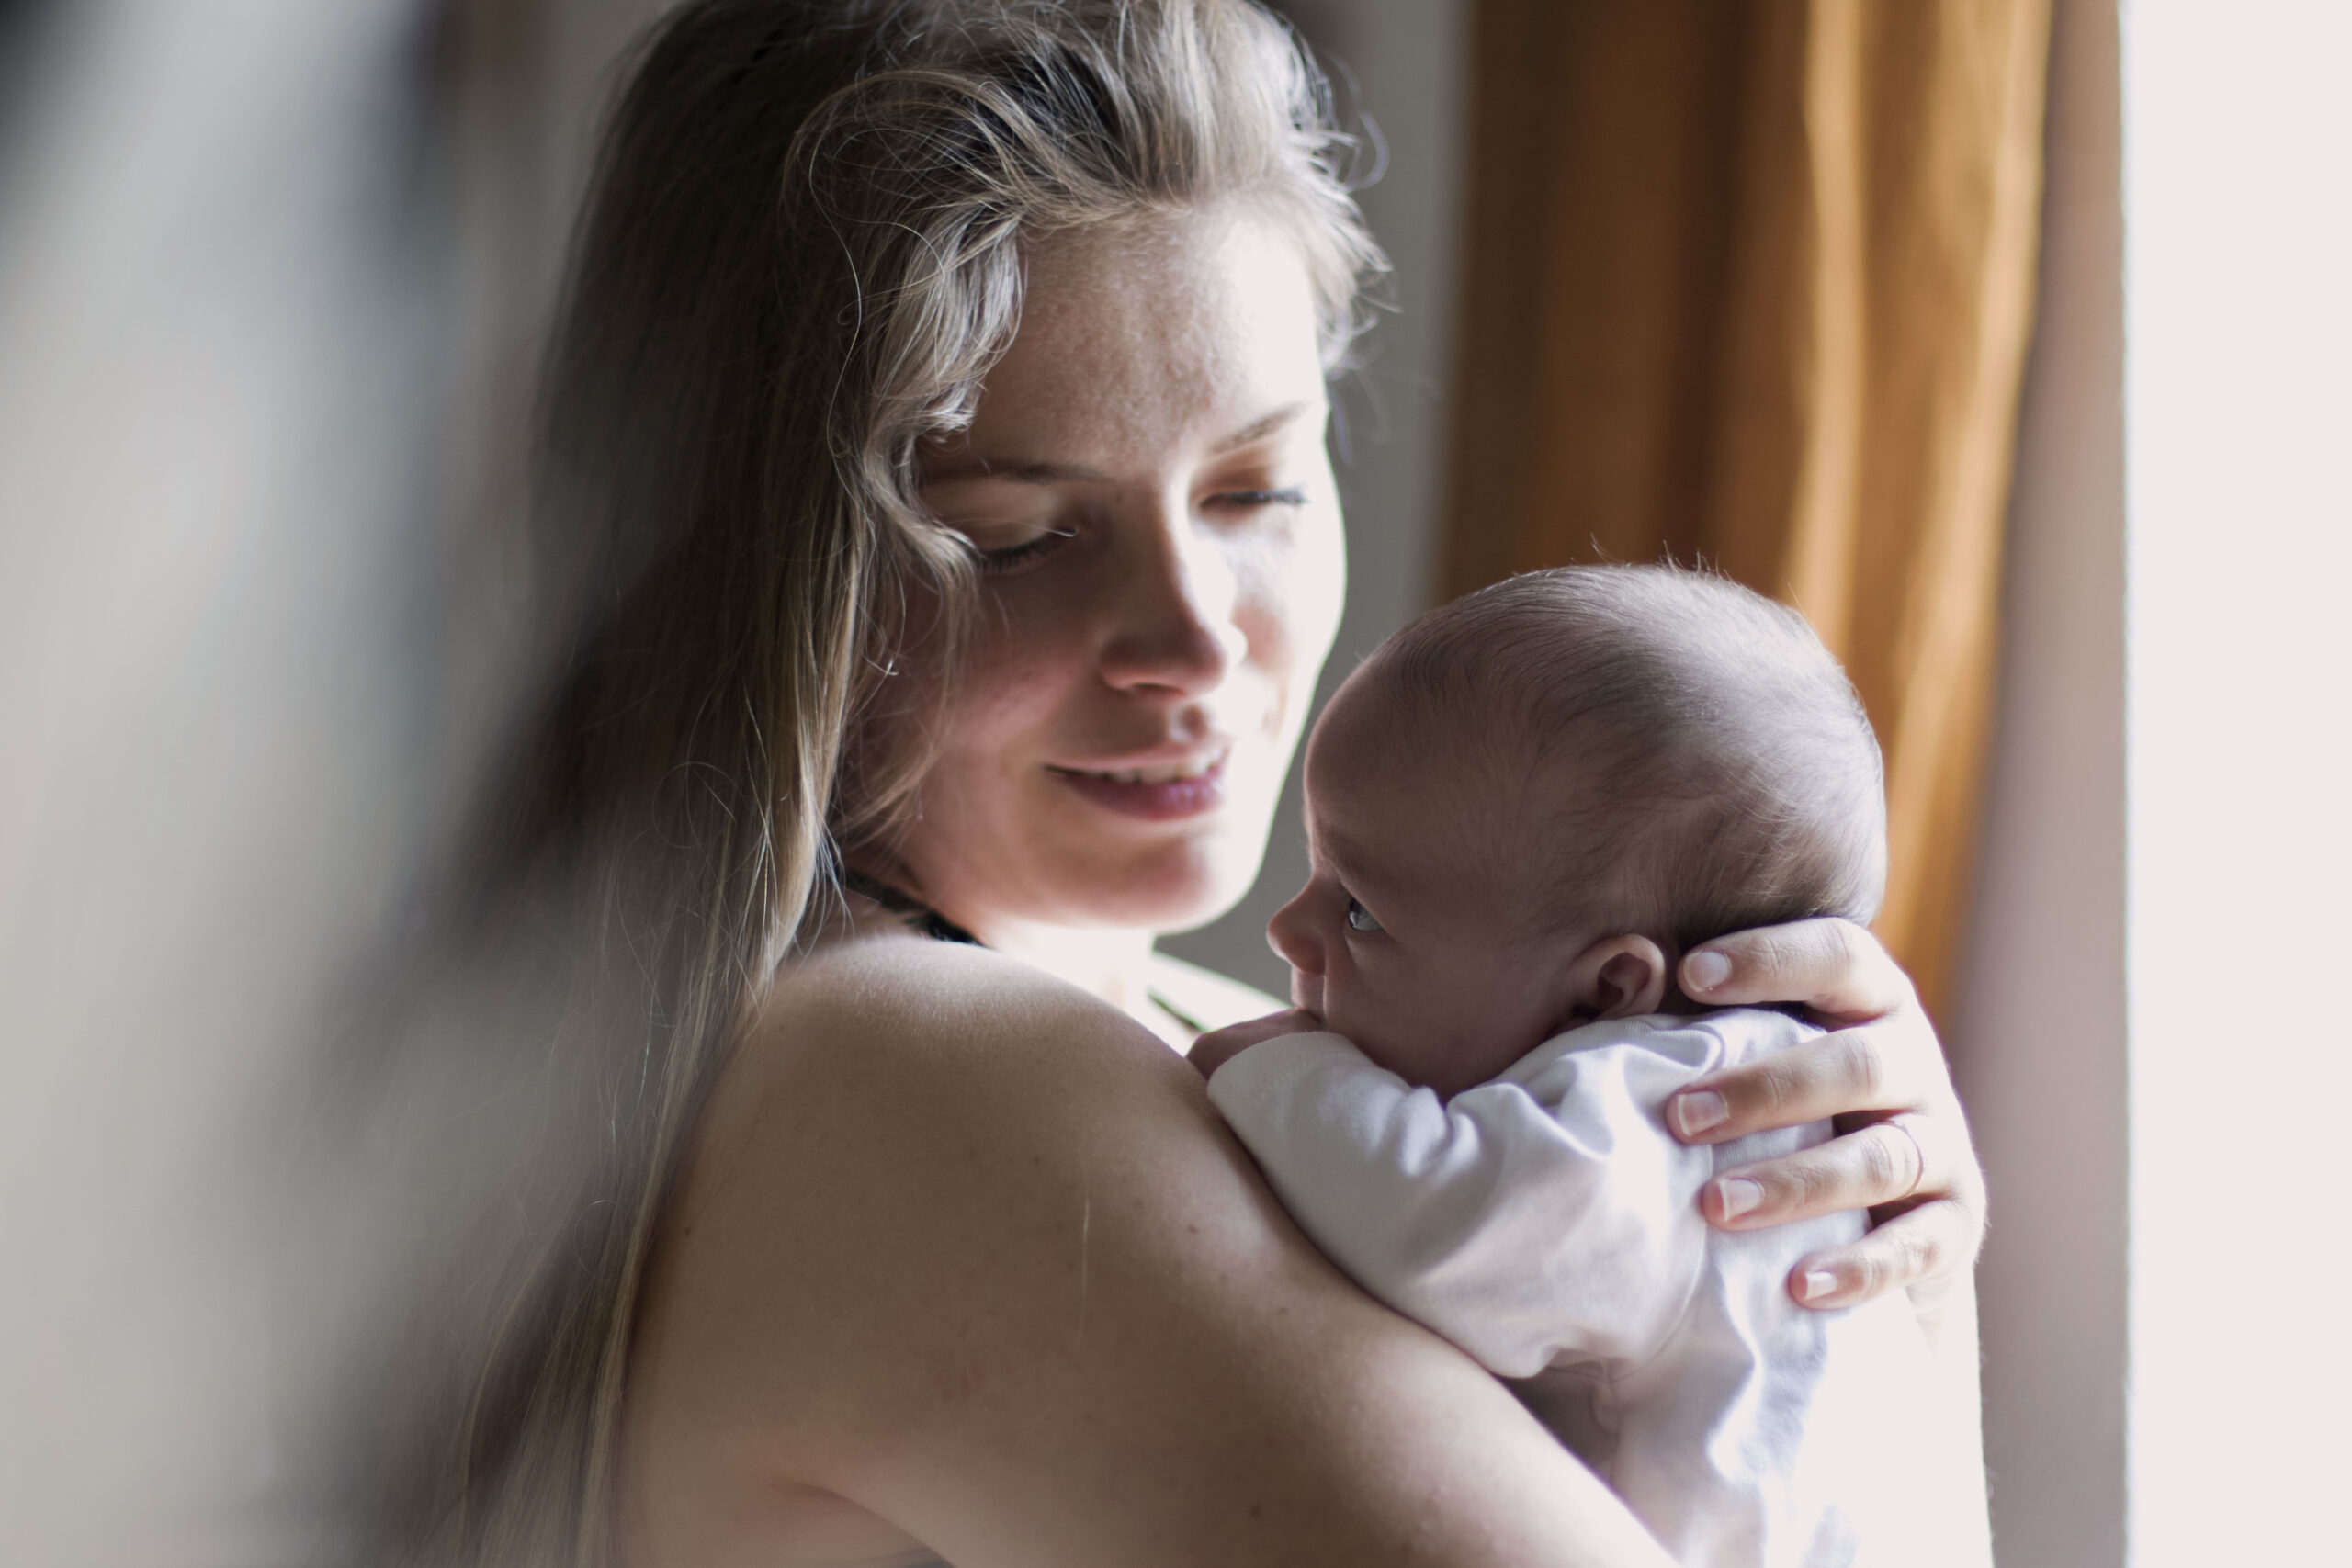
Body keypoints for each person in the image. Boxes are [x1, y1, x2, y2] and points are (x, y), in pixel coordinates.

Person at [345, 4, 1989, 1565]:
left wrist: (1876, 1260)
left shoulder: (1200, 1036)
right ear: (754, 578)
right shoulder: (937, 1083)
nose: (1196, 638)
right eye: (1021, 538)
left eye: (1261, 487)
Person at [1192, 566, 1979, 1567]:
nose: (1286, 930)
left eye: (1359, 912)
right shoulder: (1760, 1087)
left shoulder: (1678, 1108)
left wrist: (1272, 1071)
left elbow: (1441, 1227)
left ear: (1606, 994)